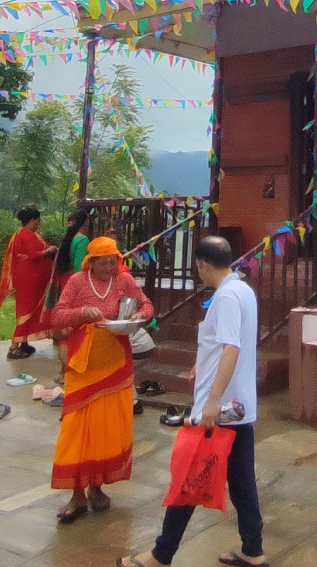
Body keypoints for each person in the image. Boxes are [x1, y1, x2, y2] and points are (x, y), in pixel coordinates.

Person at [120, 236, 265, 567]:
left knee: (188, 478)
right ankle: (253, 550)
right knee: (242, 482)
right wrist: (204, 361)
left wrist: (212, 401)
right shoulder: (242, 289)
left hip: (220, 409)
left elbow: (231, 347)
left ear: (202, 264)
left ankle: (161, 554)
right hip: (239, 407)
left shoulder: (227, 295)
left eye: (196, 267)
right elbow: (227, 342)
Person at [48, 236, 154, 522]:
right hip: (84, 366)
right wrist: (82, 312)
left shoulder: (123, 280)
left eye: (113, 261)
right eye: (104, 262)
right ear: (90, 262)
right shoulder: (77, 282)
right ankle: (76, 495)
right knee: (76, 430)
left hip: (115, 364)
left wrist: (138, 317)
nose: (110, 266)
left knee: (107, 429)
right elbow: (57, 317)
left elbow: (146, 305)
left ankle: (96, 488)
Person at [0, 207, 57, 359]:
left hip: (29, 278)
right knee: (26, 310)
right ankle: (14, 346)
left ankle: (24, 342)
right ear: (32, 220)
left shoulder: (24, 234)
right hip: (28, 280)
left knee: (30, 310)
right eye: (37, 221)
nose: (38, 224)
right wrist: (49, 251)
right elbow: (34, 255)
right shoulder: (27, 235)